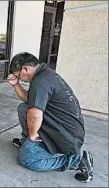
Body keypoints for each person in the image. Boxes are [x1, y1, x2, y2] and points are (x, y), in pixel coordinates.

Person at [7, 52, 93, 183]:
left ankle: (77, 160)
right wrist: (15, 84)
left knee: (26, 159)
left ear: (25, 68)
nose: (22, 79)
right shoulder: (45, 74)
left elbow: (35, 114)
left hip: (66, 135)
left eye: (19, 76)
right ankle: (27, 142)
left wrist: (33, 134)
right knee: (23, 108)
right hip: (61, 125)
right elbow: (28, 100)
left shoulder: (41, 81)